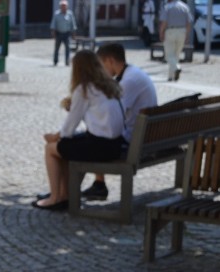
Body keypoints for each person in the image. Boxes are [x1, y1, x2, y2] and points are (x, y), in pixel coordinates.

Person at [33, 50, 124, 211]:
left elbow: (69, 128)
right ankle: (65, 194)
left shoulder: (84, 89)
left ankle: (56, 197)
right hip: (115, 145)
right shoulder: (110, 86)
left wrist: (54, 137)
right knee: (67, 144)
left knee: (51, 148)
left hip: (101, 148)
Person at [79, 43, 159, 201]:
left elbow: (110, 111)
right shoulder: (133, 73)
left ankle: (67, 192)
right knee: (92, 135)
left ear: (109, 60)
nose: (99, 71)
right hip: (144, 135)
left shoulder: (129, 81)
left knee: (85, 140)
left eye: (100, 65)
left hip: (133, 140)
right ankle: (98, 184)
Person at [158, 0, 192, 82]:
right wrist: (187, 34)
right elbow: (188, 22)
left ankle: (177, 68)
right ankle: (171, 76)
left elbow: (164, 22)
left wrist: (161, 32)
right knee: (176, 55)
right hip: (182, 31)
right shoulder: (185, 7)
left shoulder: (167, 7)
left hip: (170, 31)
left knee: (169, 55)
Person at [50, 1, 77, 66]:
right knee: (57, 48)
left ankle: (67, 61)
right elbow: (53, 24)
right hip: (59, 33)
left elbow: (72, 24)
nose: (63, 7)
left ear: (67, 6)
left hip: (67, 33)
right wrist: (53, 33)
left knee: (68, 48)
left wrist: (73, 33)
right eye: (62, 6)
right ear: (60, 7)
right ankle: (55, 61)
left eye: (65, 6)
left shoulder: (70, 14)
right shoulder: (56, 14)